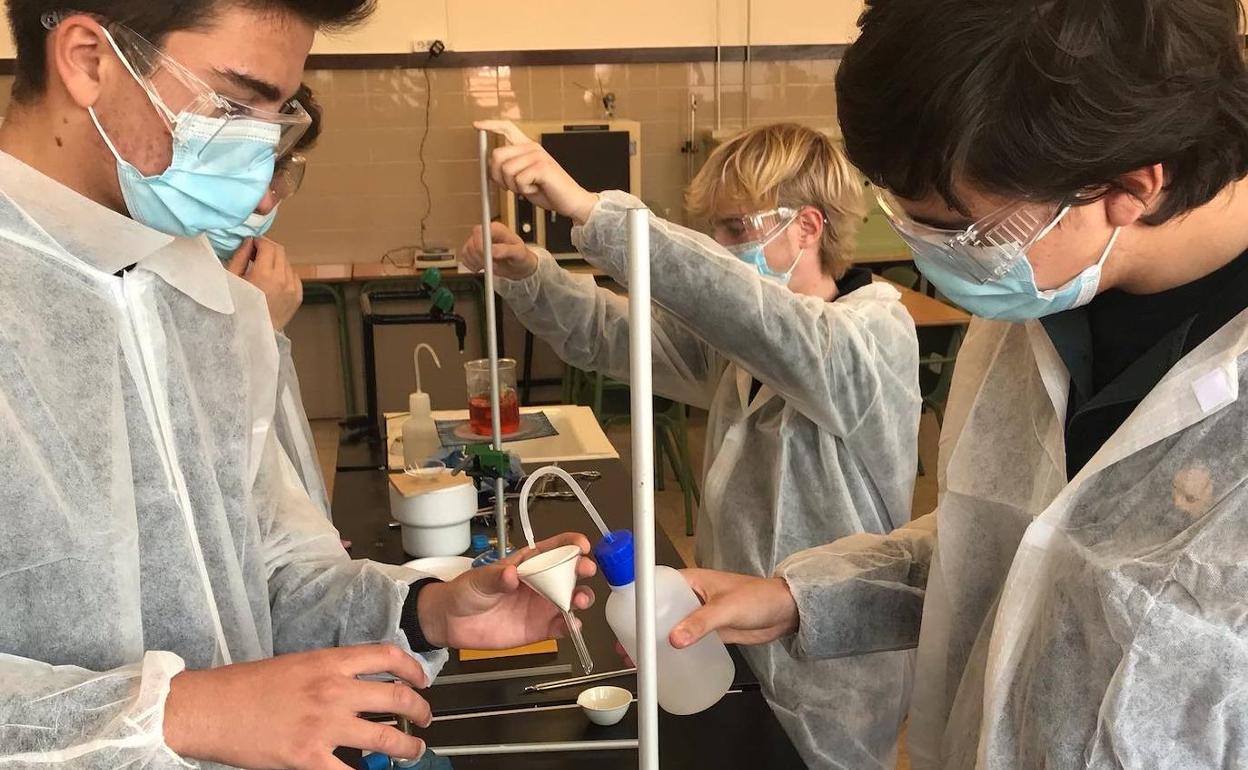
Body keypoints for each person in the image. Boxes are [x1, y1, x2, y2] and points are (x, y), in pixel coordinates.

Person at [0, 4, 596, 769]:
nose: (256, 154)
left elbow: (270, 566)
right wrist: (176, 715)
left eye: (276, 113)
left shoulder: (209, 301)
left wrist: (424, 609)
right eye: (234, 102)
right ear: (88, 59)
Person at [665, 1, 1248, 767]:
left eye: (958, 229)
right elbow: (1015, 541)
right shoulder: (1042, 295)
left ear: (1129, 187)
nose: (931, 256)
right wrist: (805, 596)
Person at [460, 120, 922, 769]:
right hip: (727, 640)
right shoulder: (741, 350)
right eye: (715, 234)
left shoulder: (871, 338)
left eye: (736, 229)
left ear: (808, 226)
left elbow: (771, 325)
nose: (722, 251)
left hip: (829, 675)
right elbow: (615, 332)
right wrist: (534, 274)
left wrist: (595, 212)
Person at [212, 82, 332, 518]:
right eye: (249, 171)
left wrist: (308, 530)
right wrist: (249, 327)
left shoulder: (245, 279)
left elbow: (274, 441)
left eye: (277, 173)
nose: (265, 202)